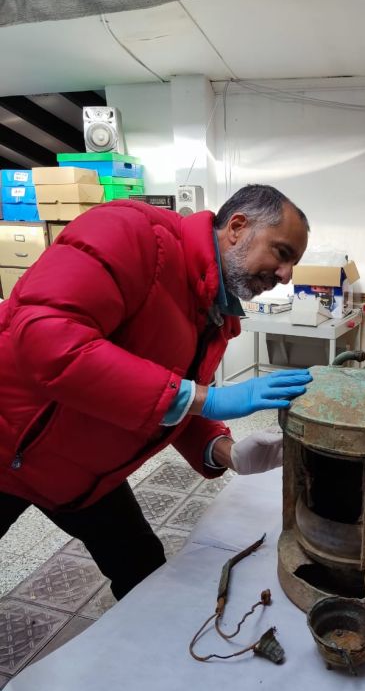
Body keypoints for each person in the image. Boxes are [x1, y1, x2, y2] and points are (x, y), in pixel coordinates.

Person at [0, 184, 312, 600]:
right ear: (237, 227)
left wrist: (223, 450)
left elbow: (164, 394)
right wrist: (210, 399)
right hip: (8, 445)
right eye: (282, 253)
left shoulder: (213, 311)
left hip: (81, 469)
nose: (286, 274)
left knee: (141, 569)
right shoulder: (129, 234)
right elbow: (49, 341)